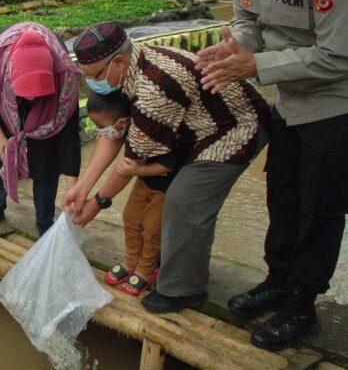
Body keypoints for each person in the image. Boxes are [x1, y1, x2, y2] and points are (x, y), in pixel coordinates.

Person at [193, 0, 348, 351]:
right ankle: (278, 281)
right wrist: (234, 48)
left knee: (319, 209)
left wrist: (255, 65)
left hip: (333, 105)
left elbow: (338, 56)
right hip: (287, 99)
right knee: (282, 197)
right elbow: (247, 20)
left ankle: (302, 306)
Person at [62, 21, 269, 313]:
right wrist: (82, 188)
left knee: (184, 201)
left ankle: (183, 290)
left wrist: (95, 205)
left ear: (118, 62)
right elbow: (113, 135)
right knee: (149, 206)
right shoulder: (127, 69)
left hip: (233, 127)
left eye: (93, 76)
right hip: (189, 129)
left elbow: (129, 164)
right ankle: (160, 259)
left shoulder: (153, 92)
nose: (91, 84)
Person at [0, 23, 81, 236]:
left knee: (47, 161)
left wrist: (74, 188)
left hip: (49, 111)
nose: (31, 99)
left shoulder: (65, 77)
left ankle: (45, 221)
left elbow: (69, 134)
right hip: (1, 105)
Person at [87, 91, 182, 297]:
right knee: (130, 218)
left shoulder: (154, 130)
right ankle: (131, 260)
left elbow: (168, 164)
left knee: (152, 229)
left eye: (102, 126)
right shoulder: (130, 132)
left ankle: (147, 269)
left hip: (164, 188)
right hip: (143, 183)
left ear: (122, 122)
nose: (100, 132)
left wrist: (137, 171)